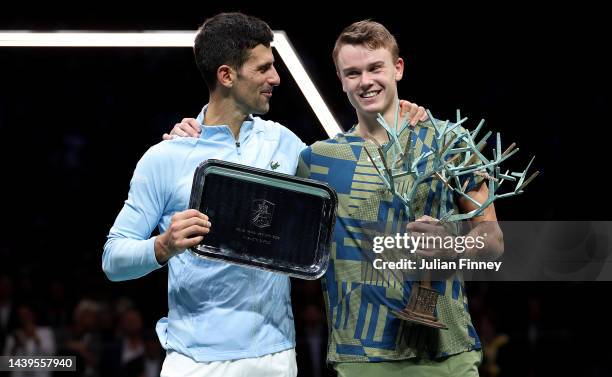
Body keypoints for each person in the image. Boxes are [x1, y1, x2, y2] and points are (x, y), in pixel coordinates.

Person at [295, 20, 503, 377]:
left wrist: (453, 248)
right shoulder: (318, 161)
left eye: (375, 67)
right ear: (341, 80)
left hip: (446, 353)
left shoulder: (449, 143)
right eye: (353, 72)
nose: (365, 81)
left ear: (398, 68)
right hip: (359, 355)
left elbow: (493, 241)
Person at [103, 13, 305, 377]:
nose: (275, 78)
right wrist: (163, 246)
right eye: (263, 69)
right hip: (193, 361)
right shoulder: (166, 157)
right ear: (226, 76)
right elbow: (113, 259)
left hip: (275, 356)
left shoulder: (284, 143)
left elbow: (345, 171)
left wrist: (395, 113)